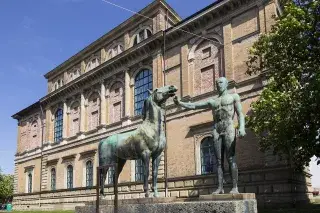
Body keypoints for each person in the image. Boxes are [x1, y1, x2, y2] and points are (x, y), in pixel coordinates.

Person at [174, 77, 246, 194]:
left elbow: (240, 114)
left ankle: (234, 187)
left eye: (221, 82)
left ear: (226, 84)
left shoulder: (234, 97)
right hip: (217, 130)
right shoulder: (213, 101)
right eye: (217, 83)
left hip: (228, 128)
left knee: (231, 158)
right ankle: (220, 187)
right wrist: (180, 103)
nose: (219, 85)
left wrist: (242, 127)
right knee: (218, 161)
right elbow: (194, 106)